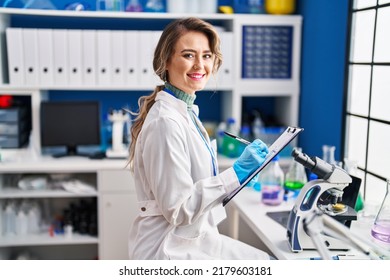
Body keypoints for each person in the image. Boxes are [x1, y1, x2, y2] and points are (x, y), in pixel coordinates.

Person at [127, 17, 270, 260]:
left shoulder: (187, 111)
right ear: (166, 61)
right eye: (188, 55)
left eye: (206, 56)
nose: (199, 65)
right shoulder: (166, 122)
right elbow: (179, 209)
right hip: (167, 248)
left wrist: (240, 178)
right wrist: (235, 174)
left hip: (193, 238)